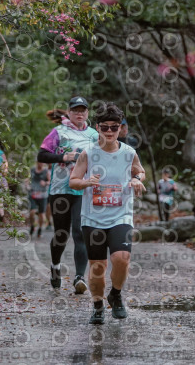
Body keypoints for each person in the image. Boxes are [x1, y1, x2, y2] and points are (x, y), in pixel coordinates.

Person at [69, 102, 146, 325]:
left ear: (121, 128)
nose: (110, 131)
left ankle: (116, 294)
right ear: (97, 128)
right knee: (98, 267)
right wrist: (86, 182)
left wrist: (136, 179)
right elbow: (73, 181)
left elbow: (140, 172)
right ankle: (97, 305)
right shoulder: (88, 153)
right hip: (93, 218)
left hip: (121, 215)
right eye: (105, 127)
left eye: (114, 127)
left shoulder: (129, 153)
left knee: (122, 258)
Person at [37, 97, 98, 294]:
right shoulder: (58, 132)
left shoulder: (94, 135)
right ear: (69, 113)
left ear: (87, 113)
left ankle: (79, 277)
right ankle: (55, 265)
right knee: (61, 234)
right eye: (75, 110)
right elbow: (42, 155)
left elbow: (104, 157)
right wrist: (64, 157)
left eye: (83, 110)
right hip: (60, 189)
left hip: (83, 189)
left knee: (80, 231)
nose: (79, 114)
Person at [24, 161, 50, 238]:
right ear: (37, 162)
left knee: (41, 214)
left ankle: (40, 229)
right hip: (32, 194)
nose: (41, 164)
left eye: (42, 162)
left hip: (42, 195)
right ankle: (32, 226)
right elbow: (27, 179)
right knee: (32, 212)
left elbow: (50, 181)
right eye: (39, 162)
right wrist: (27, 185)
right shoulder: (32, 170)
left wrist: (45, 183)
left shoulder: (46, 171)